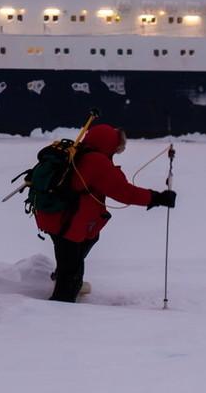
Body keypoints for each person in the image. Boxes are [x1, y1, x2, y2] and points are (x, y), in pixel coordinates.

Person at [34, 123, 176, 302]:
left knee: (84, 244)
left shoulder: (79, 152)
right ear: (109, 145)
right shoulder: (97, 162)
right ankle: (59, 308)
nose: (116, 153)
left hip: (55, 217)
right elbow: (125, 192)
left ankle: (64, 276)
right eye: (117, 149)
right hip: (68, 222)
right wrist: (157, 198)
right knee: (70, 270)